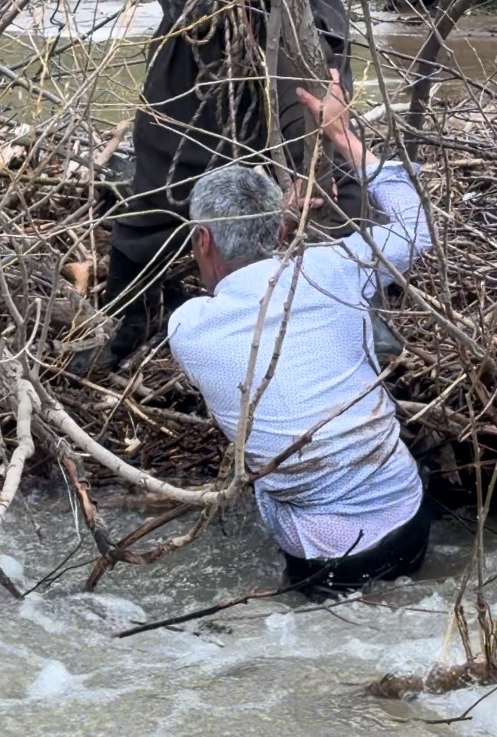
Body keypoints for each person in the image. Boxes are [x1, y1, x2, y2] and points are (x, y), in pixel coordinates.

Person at [166, 70, 432, 601]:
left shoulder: (188, 329)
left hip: (327, 558)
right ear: (284, 231)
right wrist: (344, 138)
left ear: (201, 241)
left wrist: (279, 218)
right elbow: (416, 229)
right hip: (409, 520)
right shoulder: (334, 268)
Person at [91, 0, 383, 369]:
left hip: (298, 21)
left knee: (328, 171)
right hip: (199, 43)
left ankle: (354, 311)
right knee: (163, 171)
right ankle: (135, 314)